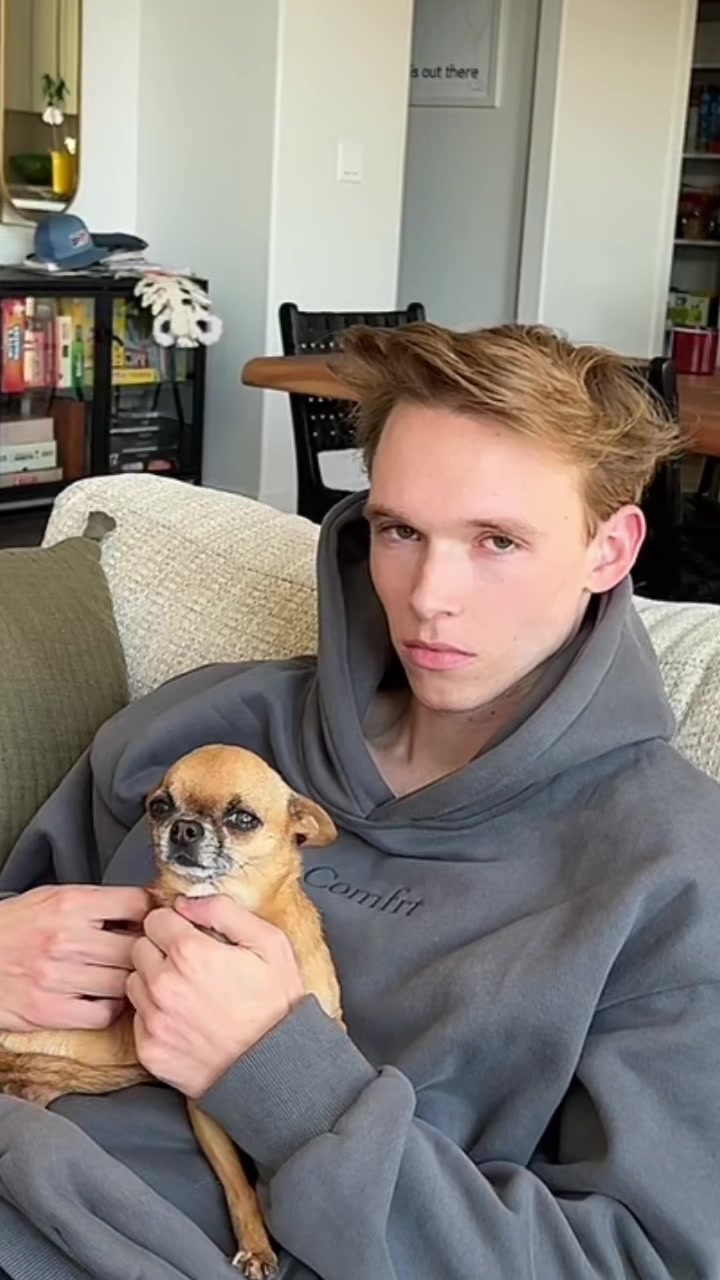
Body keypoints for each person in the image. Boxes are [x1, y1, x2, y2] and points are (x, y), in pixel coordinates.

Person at [0, 322, 718, 1280]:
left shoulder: (673, 870)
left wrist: (283, 1078)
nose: (429, 595)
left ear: (609, 548)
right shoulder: (204, 724)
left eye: (498, 541)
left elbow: (633, 1259)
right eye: (400, 531)